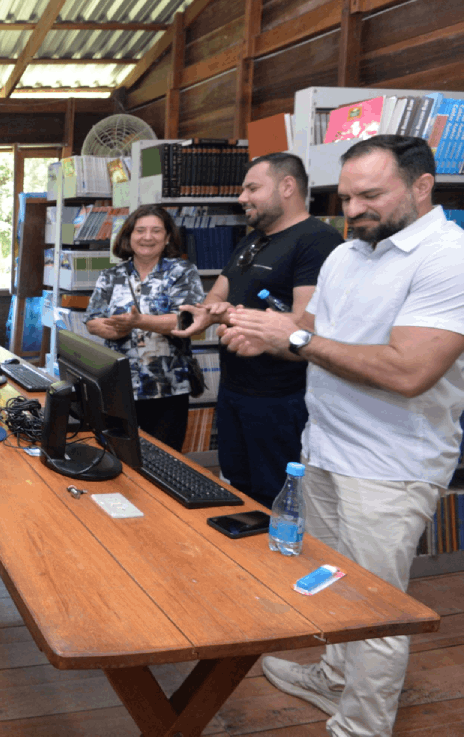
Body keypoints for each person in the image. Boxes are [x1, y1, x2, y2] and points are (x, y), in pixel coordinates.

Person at [221, 135, 464, 737]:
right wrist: (265, 335)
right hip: (323, 449)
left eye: (370, 196)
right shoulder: (347, 254)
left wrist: (294, 338)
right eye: (346, 197)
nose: (353, 210)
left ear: (422, 186)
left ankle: (362, 726)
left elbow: (409, 372)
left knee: (377, 607)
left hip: (390, 466)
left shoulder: (447, 257)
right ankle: (334, 677)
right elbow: (309, 334)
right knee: (330, 579)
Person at [173, 153, 342, 505]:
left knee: (275, 498)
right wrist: (209, 314)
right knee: (238, 489)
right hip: (235, 391)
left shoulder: (317, 240)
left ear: (287, 186)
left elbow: (305, 325)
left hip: (280, 399)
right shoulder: (251, 240)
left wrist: (238, 317)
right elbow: (217, 297)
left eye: (252, 188)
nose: (242, 198)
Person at [83, 205, 204, 450]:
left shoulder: (182, 272)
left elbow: (188, 320)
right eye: (140, 230)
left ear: (167, 237)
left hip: (167, 387)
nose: (147, 237)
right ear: (128, 236)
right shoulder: (111, 275)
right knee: (117, 454)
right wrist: (117, 330)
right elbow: (93, 321)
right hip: (118, 386)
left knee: (164, 458)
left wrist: (139, 322)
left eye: (156, 231)